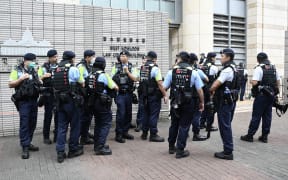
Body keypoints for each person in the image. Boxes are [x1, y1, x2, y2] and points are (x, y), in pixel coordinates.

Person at [163, 51, 204, 158]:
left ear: (180, 59)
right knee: (184, 126)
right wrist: (202, 102)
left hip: (175, 102)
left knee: (174, 124)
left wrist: (165, 96)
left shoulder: (171, 72)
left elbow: (164, 87)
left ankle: (171, 147)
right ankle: (180, 150)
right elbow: (200, 90)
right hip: (188, 103)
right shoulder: (194, 72)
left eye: (177, 58)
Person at [240, 52, 280, 143]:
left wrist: (251, 81)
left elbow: (254, 82)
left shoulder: (259, 68)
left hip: (261, 96)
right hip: (271, 95)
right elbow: (278, 82)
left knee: (256, 116)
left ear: (258, 60)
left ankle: (250, 135)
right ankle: (265, 136)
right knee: (267, 116)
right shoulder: (273, 68)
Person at [53, 51, 84, 163]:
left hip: (60, 102)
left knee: (61, 127)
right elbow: (82, 82)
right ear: (71, 59)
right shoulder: (73, 69)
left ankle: (60, 153)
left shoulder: (56, 69)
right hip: (72, 101)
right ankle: (73, 150)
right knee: (75, 126)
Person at [9, 53, 41, 159]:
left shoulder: (34, 70)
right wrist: (21, 79)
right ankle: (25, 147)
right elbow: (10, 84)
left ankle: (29, 142)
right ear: (25, 61)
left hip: (33, 100)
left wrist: (39, 79)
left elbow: (38, 82)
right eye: (32, 61)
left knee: (32, 122)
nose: (33, 63)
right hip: (23, 102)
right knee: (24, 123)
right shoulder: (17, 70)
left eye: (34, 61)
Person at [209, 48, 239, 160]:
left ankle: (228, 151)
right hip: (230, 101)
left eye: (222, 56)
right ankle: (228, 149)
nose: (220, 58)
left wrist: (211, 90)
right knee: (227, 125)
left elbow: (216, 84)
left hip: (225, 102)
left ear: (228, 57)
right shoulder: (235, 68)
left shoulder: (227, 70)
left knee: (225, 126)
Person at [87, 57, 119, 155]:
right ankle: (100, 147)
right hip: (102, 103)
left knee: (98, 124)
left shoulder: (90, 75)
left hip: (92, 103)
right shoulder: (103, 75)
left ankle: (97, 144)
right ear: (103, 65)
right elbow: (115, 87)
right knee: (105, 124)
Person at [138, 51, 167, 142]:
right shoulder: (155, 69)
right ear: (155, 59)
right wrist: (165, 95)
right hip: (153, 96)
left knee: (145, 114)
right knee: (154, 115)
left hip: (144, 95)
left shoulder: (142, 67)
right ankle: (153, 134)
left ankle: (144, 133)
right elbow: (159, 83)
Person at [112, 50, 138, 143]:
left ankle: (125, 132)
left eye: (124, 55)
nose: (122, 57)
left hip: (129, 93)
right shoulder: (115, 67)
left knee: (128, 113)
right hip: (120, 94)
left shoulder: (132, 67)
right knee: (121, 114)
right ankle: (118, 134)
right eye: (121, 55)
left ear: (128, 57)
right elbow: (112, 80)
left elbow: (135, 78)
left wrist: (127, 72)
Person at [38, 49, 59, 144]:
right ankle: (46, 137)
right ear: (50, 58)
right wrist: (44, 76)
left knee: (58, 116)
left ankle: (57, 136)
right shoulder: (43, 68)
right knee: (48, 116)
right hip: (48, 94)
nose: (56, 58)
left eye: (57, 56)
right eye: (55, 57)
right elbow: (38, 80)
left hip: (57, 94)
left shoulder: (59, 66)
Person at [77, 50, 95, 145]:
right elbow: (79, 79)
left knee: (88, 116)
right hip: (82, 95)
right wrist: (84, 82)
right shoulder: (81, 66)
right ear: (87, 57)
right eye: (92, 57)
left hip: (88, 94)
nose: (93, 58)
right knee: (83, 117)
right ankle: (82, 137)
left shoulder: (89, 66)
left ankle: (85, 134)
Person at [189, 53, 208, 141]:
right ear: (195, 61)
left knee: (185, 116)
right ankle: (196, 134)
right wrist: (202, 102)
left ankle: (184, 133)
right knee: (196, 116)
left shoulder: (177, 71)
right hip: (195, 97)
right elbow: (206, 79)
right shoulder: (196, 71)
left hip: (182, 98)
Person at [200, 52, 219, 131]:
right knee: (211, 107)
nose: (215, 59)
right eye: (214, 57)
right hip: (211, 89)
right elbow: (217, 78)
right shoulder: (214, 67)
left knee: (204, 106)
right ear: (212, 58)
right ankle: (209, 125)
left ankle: (201, 123)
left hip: (203, 88)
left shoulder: (203, 65)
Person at [135, 55, 147, 132]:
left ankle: (145, 124)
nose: (145, 61)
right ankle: (139, 124)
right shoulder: (139, 69)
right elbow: (136, 78)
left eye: (146, 59)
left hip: (149, 91)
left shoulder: (152, 68)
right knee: (141, 107)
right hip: (142, 90)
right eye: (144, 59)